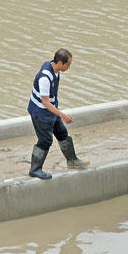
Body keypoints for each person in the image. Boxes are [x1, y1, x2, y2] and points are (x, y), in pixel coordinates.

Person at [26, 48, 89, 179]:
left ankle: (72, 161)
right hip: (40, 113)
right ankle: (35, 170)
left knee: (62, 133)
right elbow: (45, 102)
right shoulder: (45, 78)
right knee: (45, 141)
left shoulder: (55, 70)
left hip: (50, 110)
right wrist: (62, 115)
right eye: (68, 64)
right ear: (60, 63)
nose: (69, 67)